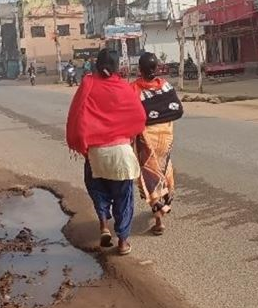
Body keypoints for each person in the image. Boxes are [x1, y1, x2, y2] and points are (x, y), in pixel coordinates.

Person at [66, 48, 146, 255]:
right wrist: (126, 135)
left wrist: (83, 145)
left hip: (95, 153)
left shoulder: (88, 83)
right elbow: (139, 117)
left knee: (98, 191)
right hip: (121, 152)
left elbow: (77, 115)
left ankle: (103, 225)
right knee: (124, 199)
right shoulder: (124, 87)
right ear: (117, 65)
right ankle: (123, 242)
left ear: (96, 64)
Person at [131, 52, 183, 234]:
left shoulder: (134, 88)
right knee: (165, 167)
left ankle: (159, 220)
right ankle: (166, 201)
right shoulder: (166, 85)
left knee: (150, 175)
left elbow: (131, 115)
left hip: (148, 139)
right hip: (166, 136)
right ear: (156, 68)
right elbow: (176, 109)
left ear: (140, 69)